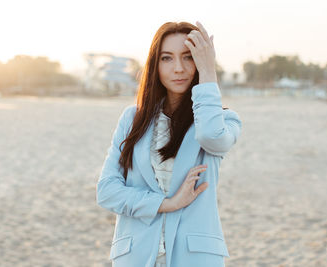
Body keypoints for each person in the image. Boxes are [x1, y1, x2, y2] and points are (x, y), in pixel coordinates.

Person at [96, 21, 242, 267]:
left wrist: (208, 71)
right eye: (167, 58)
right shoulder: (132, 119)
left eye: (188, 58)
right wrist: (168, 204)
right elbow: (107, 191)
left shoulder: (222, 120)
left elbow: (210, 137)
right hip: (136, 257)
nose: (178, 68)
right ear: (155, 64)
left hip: (194, 258)